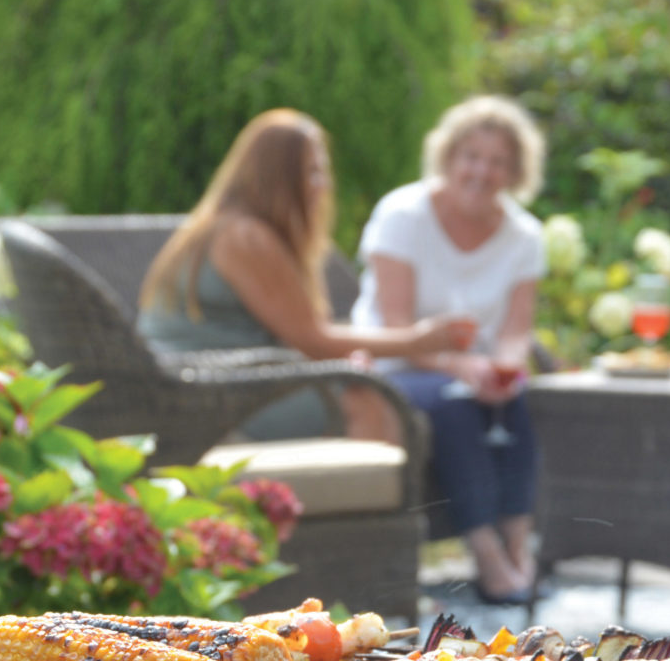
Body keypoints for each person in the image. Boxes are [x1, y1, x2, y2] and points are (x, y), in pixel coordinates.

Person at [137, 108, 475, 441]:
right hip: (204, 389)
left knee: (362, 384)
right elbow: (312, 339)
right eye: (312, 173)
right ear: (277, 178)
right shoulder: (247, 238)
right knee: (366, 399)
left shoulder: (226, 226)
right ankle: (375, 496)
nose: (323, 185)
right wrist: (421, 340)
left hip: (207, 378)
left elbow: (305, 334)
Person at [351, 95, 547, 605]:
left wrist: (505, 367)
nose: (482, 171)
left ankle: (520, 549)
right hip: (394, 365)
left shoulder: (525, 235)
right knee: (454, 401)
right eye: (472, 156)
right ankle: (486, 554)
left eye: (498, 160)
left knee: (516, 402)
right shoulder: (402, 214)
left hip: (471, 369)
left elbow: (516, 328)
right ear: (450, 157)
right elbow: (395, 323)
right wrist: (463, 367)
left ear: (514, 171)